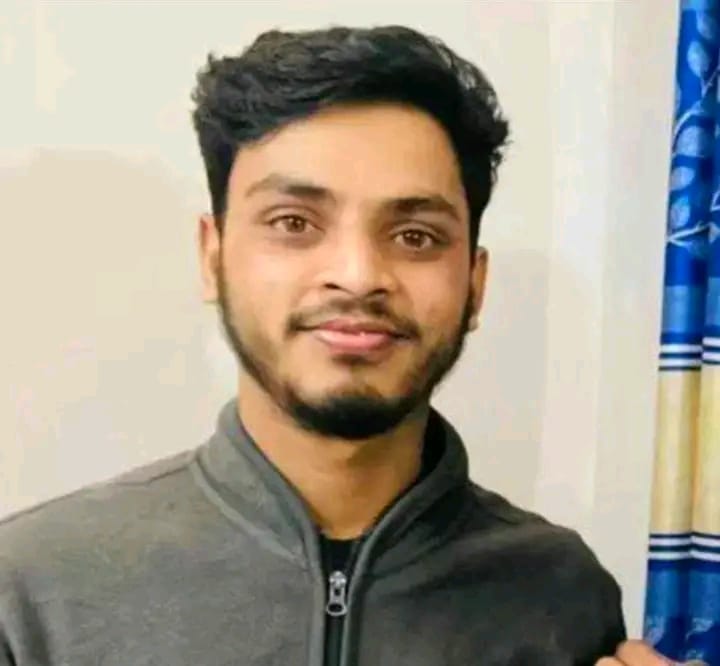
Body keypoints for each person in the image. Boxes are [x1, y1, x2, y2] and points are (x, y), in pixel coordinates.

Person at [0, 25, 671, 666]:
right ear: (213, 256)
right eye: (294, 222)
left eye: (415, 236)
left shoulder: (561, 596)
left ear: (475, 282)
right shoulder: (32, 593)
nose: (357, 275)